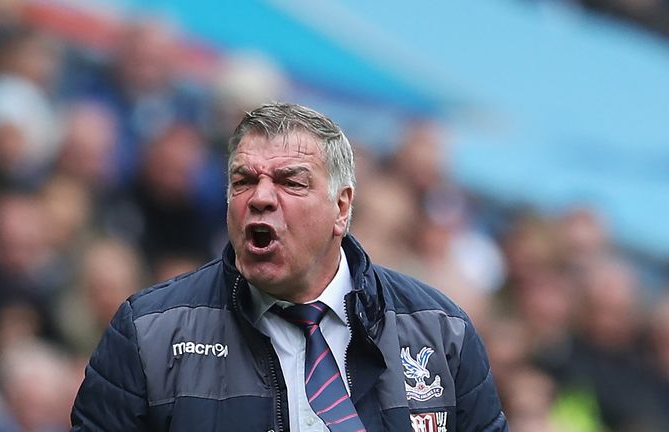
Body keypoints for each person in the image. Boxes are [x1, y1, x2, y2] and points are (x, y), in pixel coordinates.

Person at [71, 103, 507, 431]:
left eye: (290, 182)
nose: (259, 197)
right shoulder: (150, 332)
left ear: (341, 208)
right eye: (243, 180)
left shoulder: (438, 331)